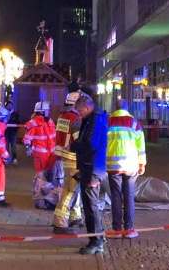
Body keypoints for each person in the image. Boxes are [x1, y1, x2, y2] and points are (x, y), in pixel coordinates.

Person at [70, 94, 108, 255]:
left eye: (80, 111)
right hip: (91, 167)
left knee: (90, 206)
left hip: (92, 168)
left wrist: (74, 146)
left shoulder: (94, 120)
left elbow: (90, 143)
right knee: (89, 205)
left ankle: (96, 240)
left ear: (87, 107)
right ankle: (98, 236)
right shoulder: (94, 118)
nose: (79, 114)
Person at [106, 98, 146, 238]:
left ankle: (116, 229)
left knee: (116, 197)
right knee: (129, 196)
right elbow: (141, 146)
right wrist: (142, 163)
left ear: (115, 108)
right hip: (131, 166)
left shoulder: (108, 122)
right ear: (127, 108)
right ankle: (128, 229)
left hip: (113, 166)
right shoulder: (134, 123)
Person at [52, 91, 84, 235]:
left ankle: (75, 217)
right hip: (73, 158)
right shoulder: (76, 119)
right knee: (70, 192)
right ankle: (60, 222)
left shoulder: (62, 116)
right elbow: (79, 141)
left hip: (65, 158)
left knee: (73, 189)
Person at [23, 101, 57, 172]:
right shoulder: (33, 123)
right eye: (47, 110)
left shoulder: (49, 121)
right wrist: (28, 148)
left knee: (51, 174)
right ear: (42, 112)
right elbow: (27, 138)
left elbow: (54, 136)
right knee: (41, 174)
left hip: (51, 152)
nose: (48, 112)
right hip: (41, 154)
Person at [4, 101, 20, 165]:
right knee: (6, 146)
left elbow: (18, 122)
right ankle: (7, 158)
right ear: (6, 106)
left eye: (10, 105)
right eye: (8, 105)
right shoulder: (4, 114)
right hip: (6, 132)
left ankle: (14, 158)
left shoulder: (15, 114)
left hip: (13, 133)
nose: (9, 106)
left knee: (14, 146)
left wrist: (15, 129)